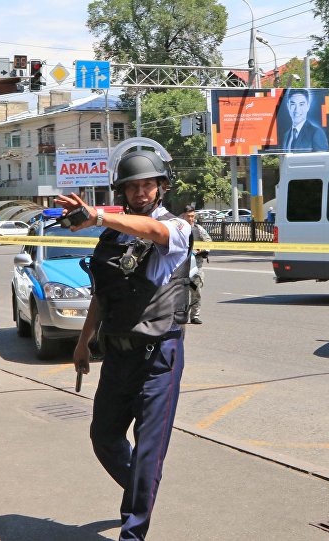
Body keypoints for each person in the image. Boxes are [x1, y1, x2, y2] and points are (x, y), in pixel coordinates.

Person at [56, 142, 192, 541]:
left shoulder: (177, 227)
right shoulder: (111, 237)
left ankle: (133, 530)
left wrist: (98, 215)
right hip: (117, 354)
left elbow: (154, 232)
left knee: (148, 449)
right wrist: (83, 342)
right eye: (133, 186)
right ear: (123, 191)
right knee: (103, 436)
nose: (140, 192)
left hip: (158, 356)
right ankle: (142, 489)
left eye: (148, 185)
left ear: (162, 187)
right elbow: (102, 295)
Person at [182, 203, 211, 324]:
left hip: (195, 268)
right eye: (188, 216)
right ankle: (180, 315)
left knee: (196, 291)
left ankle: (194, 316)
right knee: (180, 293)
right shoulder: (178, 229)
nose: (191, 218)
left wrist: (203, 250)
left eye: (192, 216)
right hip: (181, 268)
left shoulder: (198, 229)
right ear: (183, 216)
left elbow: (208, 241)